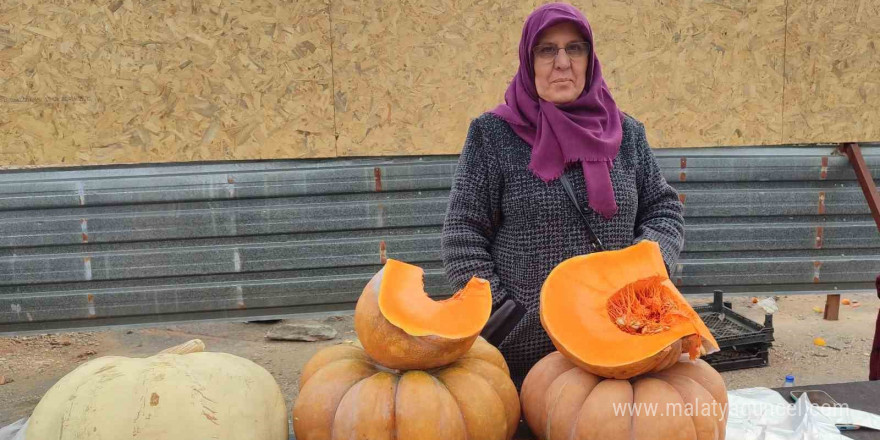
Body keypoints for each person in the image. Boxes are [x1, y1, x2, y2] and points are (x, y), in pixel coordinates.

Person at [441, 2, 685, 388]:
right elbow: (463, 235)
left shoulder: (627, 134)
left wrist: (648, 269)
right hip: (529, 352)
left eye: (575, 48)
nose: (562, 62)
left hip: (622, 337)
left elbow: (663, 209)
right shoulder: (492, 135)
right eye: (546, 49)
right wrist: (506, 318)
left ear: (589, 58)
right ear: (528, 59)